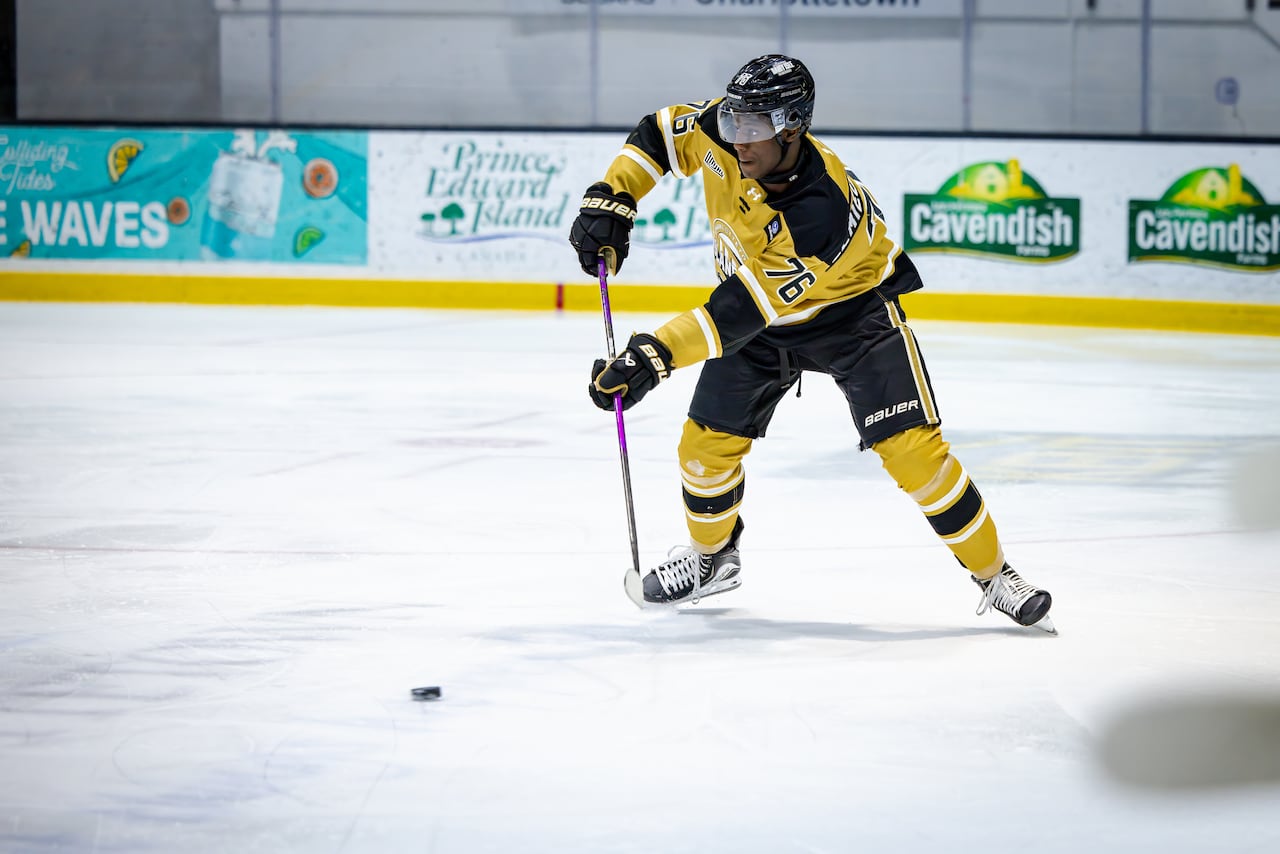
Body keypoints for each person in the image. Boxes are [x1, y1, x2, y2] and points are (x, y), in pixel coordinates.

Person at [570, 54, 1054, 632]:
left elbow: (737, 312)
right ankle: (713, 561)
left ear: (792, 126)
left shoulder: (818, 209)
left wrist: (655, 355)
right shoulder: (724, 135)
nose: (735, 140)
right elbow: (658, 131)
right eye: (731, 122)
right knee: (702, 452)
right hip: (761, 318)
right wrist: (614, 195)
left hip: (852, 321)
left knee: (914, 455)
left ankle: (996, 576)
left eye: (751, 128)